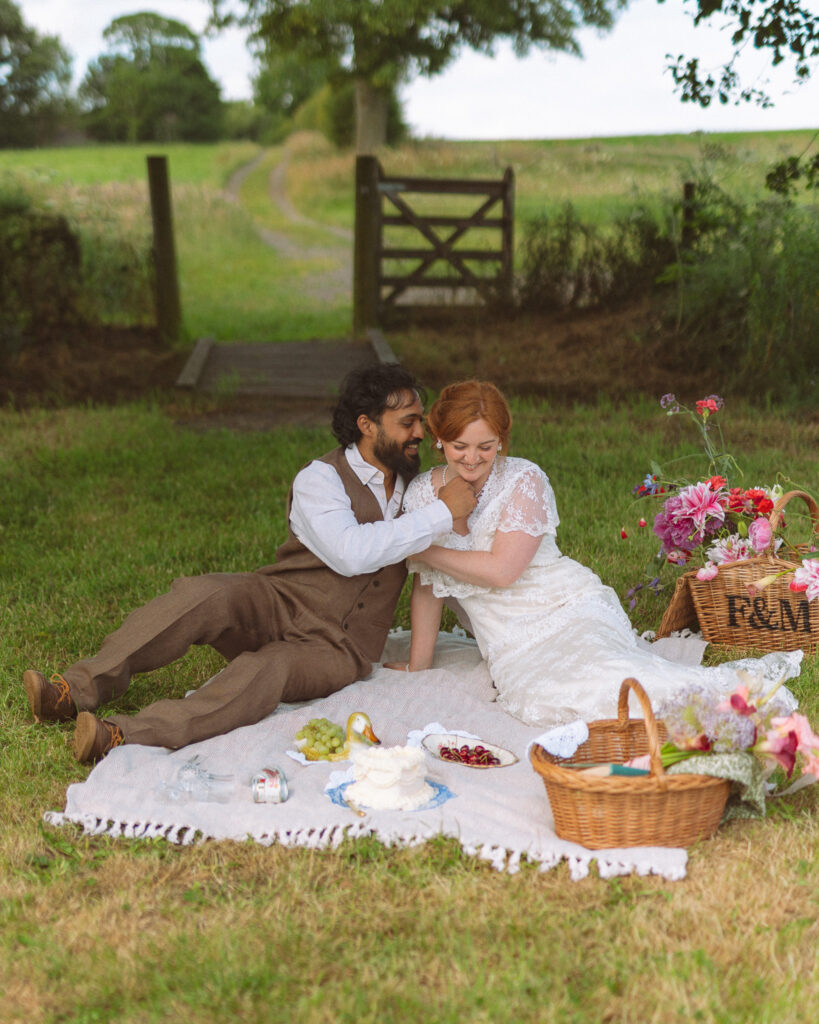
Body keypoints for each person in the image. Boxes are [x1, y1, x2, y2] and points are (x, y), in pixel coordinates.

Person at [23, 364, 477, 763]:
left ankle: (122, 734)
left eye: (421, 422)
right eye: (408, 422)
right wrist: (440, 513)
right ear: (367, 424)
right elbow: (350, 552)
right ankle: (73, 690)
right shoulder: (319, 479)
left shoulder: (419, 490)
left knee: (269, 669)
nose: (420, 432)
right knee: (205, 594)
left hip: (339, 647)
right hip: (279, 599)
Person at [385, 380, 802, 727]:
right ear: (438, 438)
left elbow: (502, 571)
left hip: (567, 608)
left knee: (601, 673)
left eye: (487, 447)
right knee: (544, 696)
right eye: (459, 446)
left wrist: (421, 547)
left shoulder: (523, 480)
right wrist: (418, 667)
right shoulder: (422, 494)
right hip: (509, 641)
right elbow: (428, 587)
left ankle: (725, 708)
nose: (473, 459)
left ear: (502, 441)